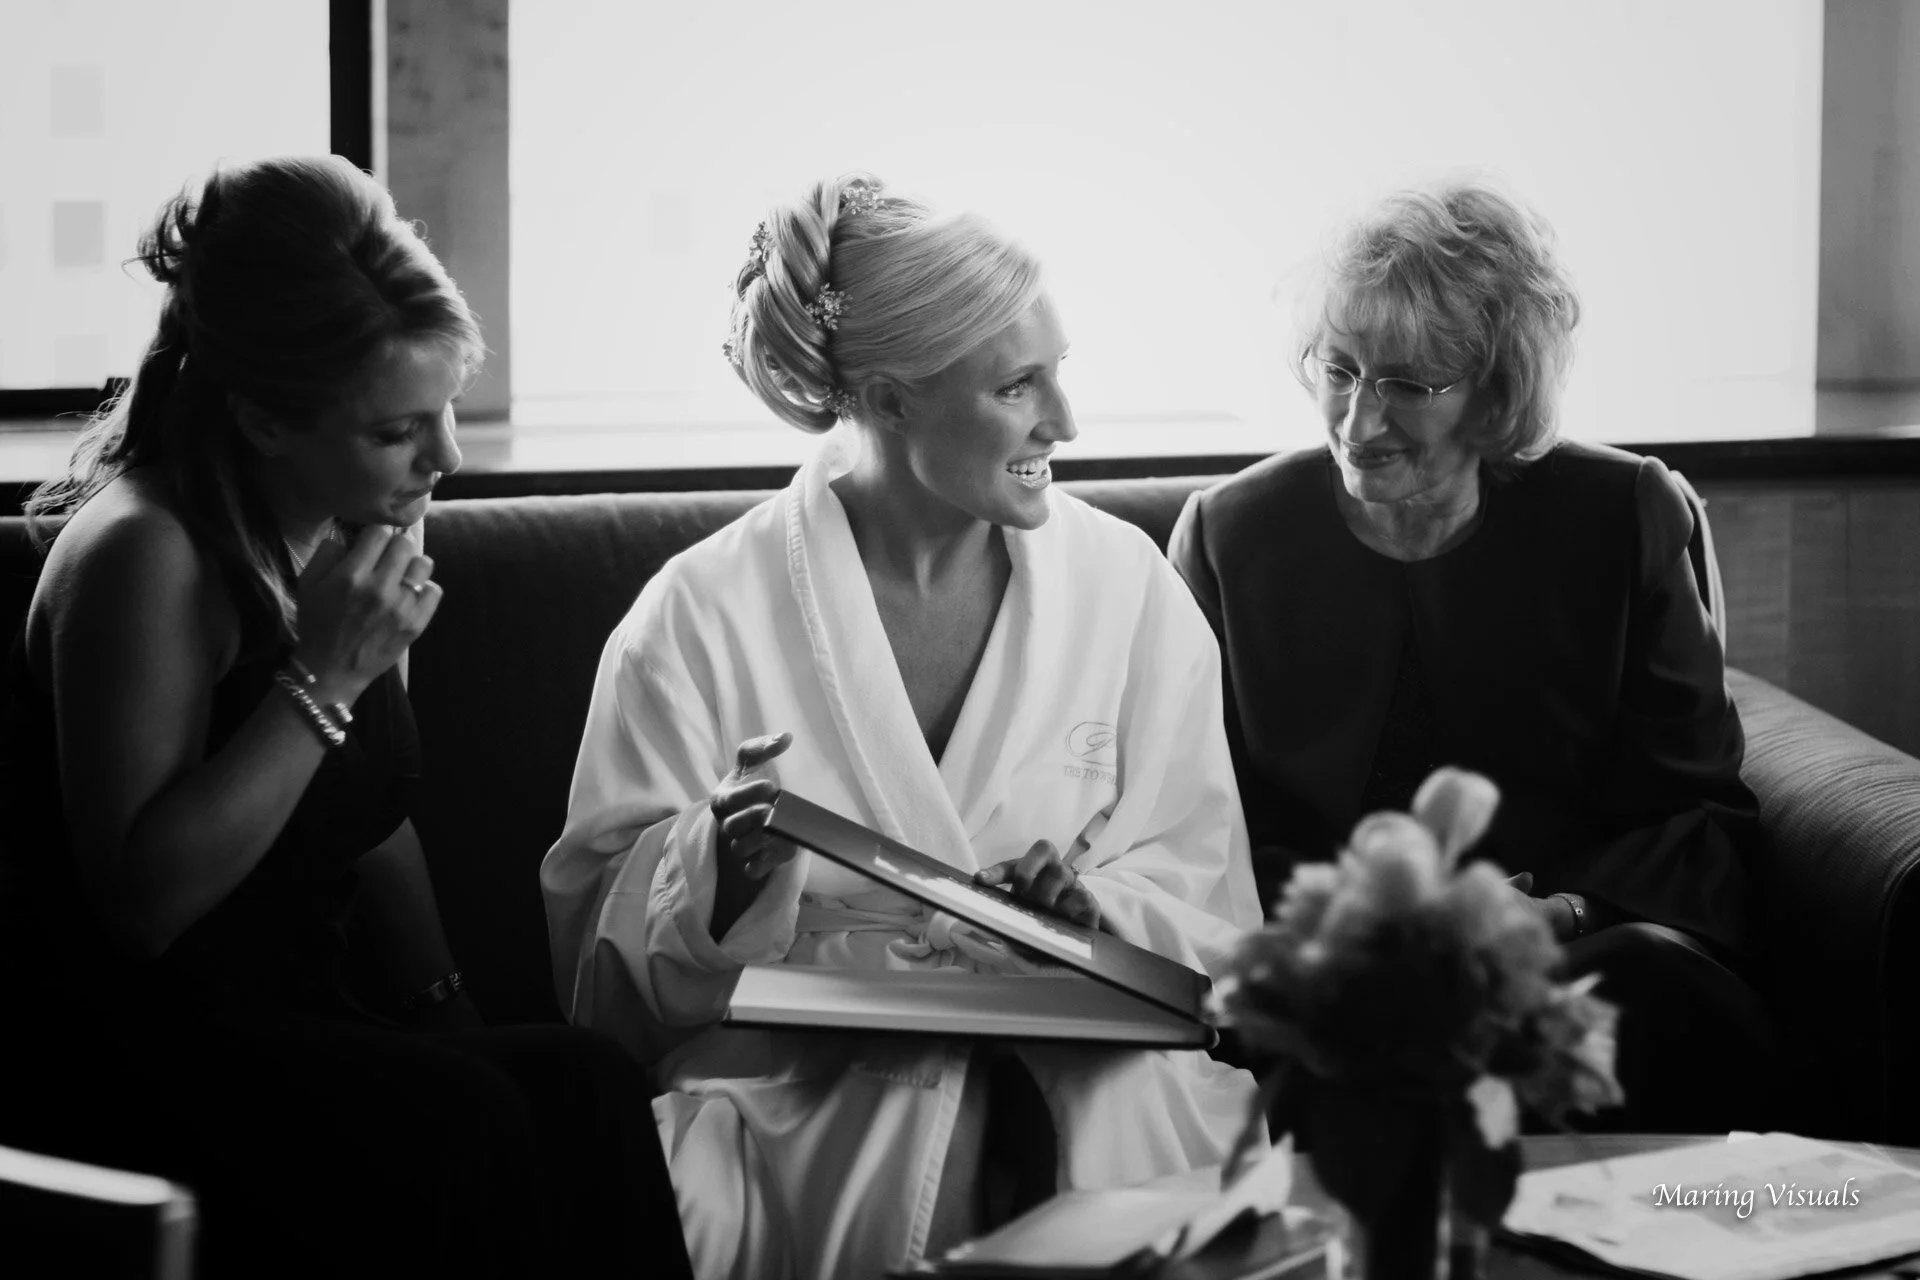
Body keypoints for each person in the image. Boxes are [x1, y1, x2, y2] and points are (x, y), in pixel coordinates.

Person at [542, 173, 1263, 1280]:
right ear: (886, 400)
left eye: (1057, 373)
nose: (1066, 422)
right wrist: (721, 869)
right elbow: (596, 972)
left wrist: (1093, 910)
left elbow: (1208, 888)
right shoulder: (694, 617)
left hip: (1096, 1068)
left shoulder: (1129, 589)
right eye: (1020, 386)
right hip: (804, 1090)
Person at [0, 156, 692, 1280]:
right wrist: (322, 678)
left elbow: (372, 817)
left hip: (318, 1016)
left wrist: (447, 1001)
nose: (448, 457)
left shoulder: (354, 521)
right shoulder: (145, 552)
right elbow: (142, 905)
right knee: (464, 1119)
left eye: (449, 408)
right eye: (397, 429)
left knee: (588, 1081)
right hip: (145, 1050)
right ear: (267, 419)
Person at [1168, 178, 1776, 1134]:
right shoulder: (1232, 534)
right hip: (1340, 966)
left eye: (1409, 384)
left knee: (1644, 978)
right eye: (1339, 371)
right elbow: (1201, 822)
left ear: (1496, 389)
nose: (1359, 424)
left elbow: (1695, 809)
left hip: (1576, 958)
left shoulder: (1622, 516)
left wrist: (1564, 914)